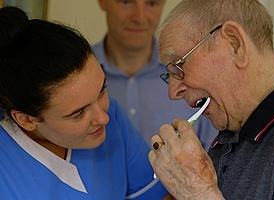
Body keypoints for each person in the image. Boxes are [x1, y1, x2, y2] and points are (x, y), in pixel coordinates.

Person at [0, 7, 168, 199]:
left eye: (101, 91)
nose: (103, 118)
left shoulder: (111, 116)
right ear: (26, 119)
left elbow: (156, 194)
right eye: (79, 113)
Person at [148, 0, 274, 199]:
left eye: (177, 66)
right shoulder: (225, 141)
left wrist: (198, 192)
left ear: (234, 44)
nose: (173, 92)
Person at [92, 0, 218, 148]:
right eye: (126, 2)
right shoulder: (76, 75)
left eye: (151, 4)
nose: (139, 17)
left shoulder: (195, 71)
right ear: (102, 2)